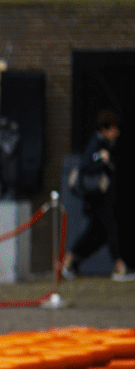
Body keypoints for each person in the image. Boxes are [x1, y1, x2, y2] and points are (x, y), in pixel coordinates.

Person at [64, 109, 132, 281]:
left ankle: (69, 262)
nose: (116, 132)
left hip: (103, 198)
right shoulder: (97, 144)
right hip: (98, 198)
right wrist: (100, 158)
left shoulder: (110, 144)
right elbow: (87, 163)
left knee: (97, 233)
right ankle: (120, 267)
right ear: (104, 129)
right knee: (111, 229)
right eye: (113, 128)